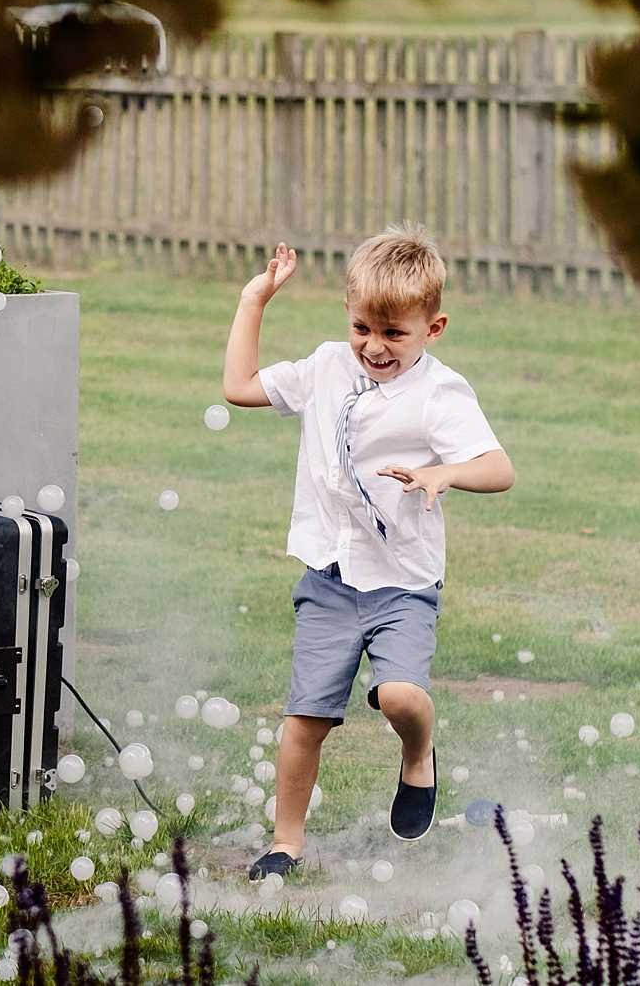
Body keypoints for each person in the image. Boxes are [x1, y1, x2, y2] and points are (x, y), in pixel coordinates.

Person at [220, 224, 515, 880]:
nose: (373, 347)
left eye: (393, 334)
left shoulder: (440, 393)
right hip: (327, 580)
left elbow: (499, 467)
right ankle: (285, 841)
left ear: (433, 328)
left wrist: (447, 473)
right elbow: (238, 386)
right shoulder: (327, 365)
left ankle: (418, 755)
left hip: (402, 585)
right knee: (306, 719)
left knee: (403, 695)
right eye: (362, 328)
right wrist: (255, 300)